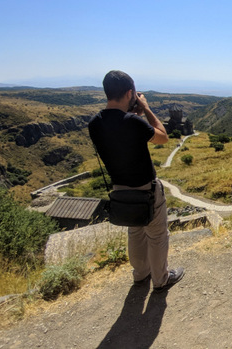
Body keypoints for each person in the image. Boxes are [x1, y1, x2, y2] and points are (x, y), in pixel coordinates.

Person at [89, 70, 184, 293]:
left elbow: (120, 132)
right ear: (130, 92)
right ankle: (161, 279)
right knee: (157, 234)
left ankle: (140, 275)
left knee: (135, 233)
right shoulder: (133, 122)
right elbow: (162, 136)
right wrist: (147, 109)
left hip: (120, 190)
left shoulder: (94, 124)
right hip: (146, 188)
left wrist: (134, 112)